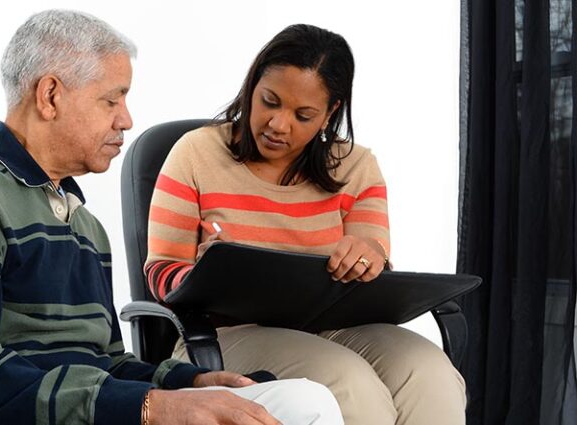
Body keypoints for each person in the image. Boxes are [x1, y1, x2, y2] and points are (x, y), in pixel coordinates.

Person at [0, 10, 343, 425]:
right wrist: (150, 407)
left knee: (304, 399)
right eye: (111, 100)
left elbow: (104, 363)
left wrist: (187, 382)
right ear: (50, 95)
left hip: (83, 412)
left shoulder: (81, 225)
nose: (126, 119)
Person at [145, 24, 467, 425]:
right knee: (349, 383)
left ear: (330, 112)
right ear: (252, 85)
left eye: (303, 115)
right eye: (269, 101)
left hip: (335, 326)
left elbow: (374, 254)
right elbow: (161, 271)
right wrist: (213, 277)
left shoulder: (356, 166)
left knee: (430, 371)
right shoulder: (195, 153)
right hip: (227, 334)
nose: (279, 125)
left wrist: (369, 257)